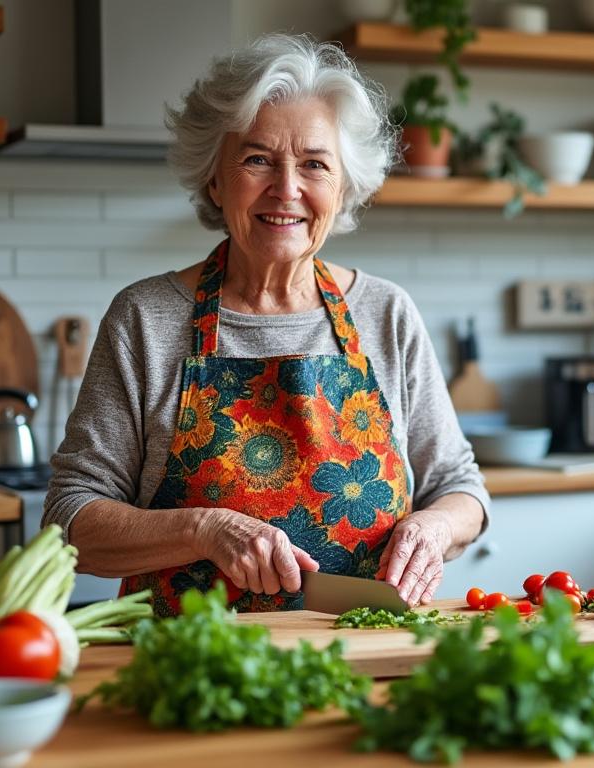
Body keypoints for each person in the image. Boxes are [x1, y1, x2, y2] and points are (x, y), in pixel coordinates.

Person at [44, 34, 489, 617]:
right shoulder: (145, 319)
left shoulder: (387, 313)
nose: (287, 189)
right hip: (196, 664)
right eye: (257, 160)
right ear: (214, 179)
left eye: (314, 164)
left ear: (343, 186)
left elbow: (462, 488)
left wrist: (432, 529)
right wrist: (204, 530)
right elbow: (71, 517)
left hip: (367, 650)